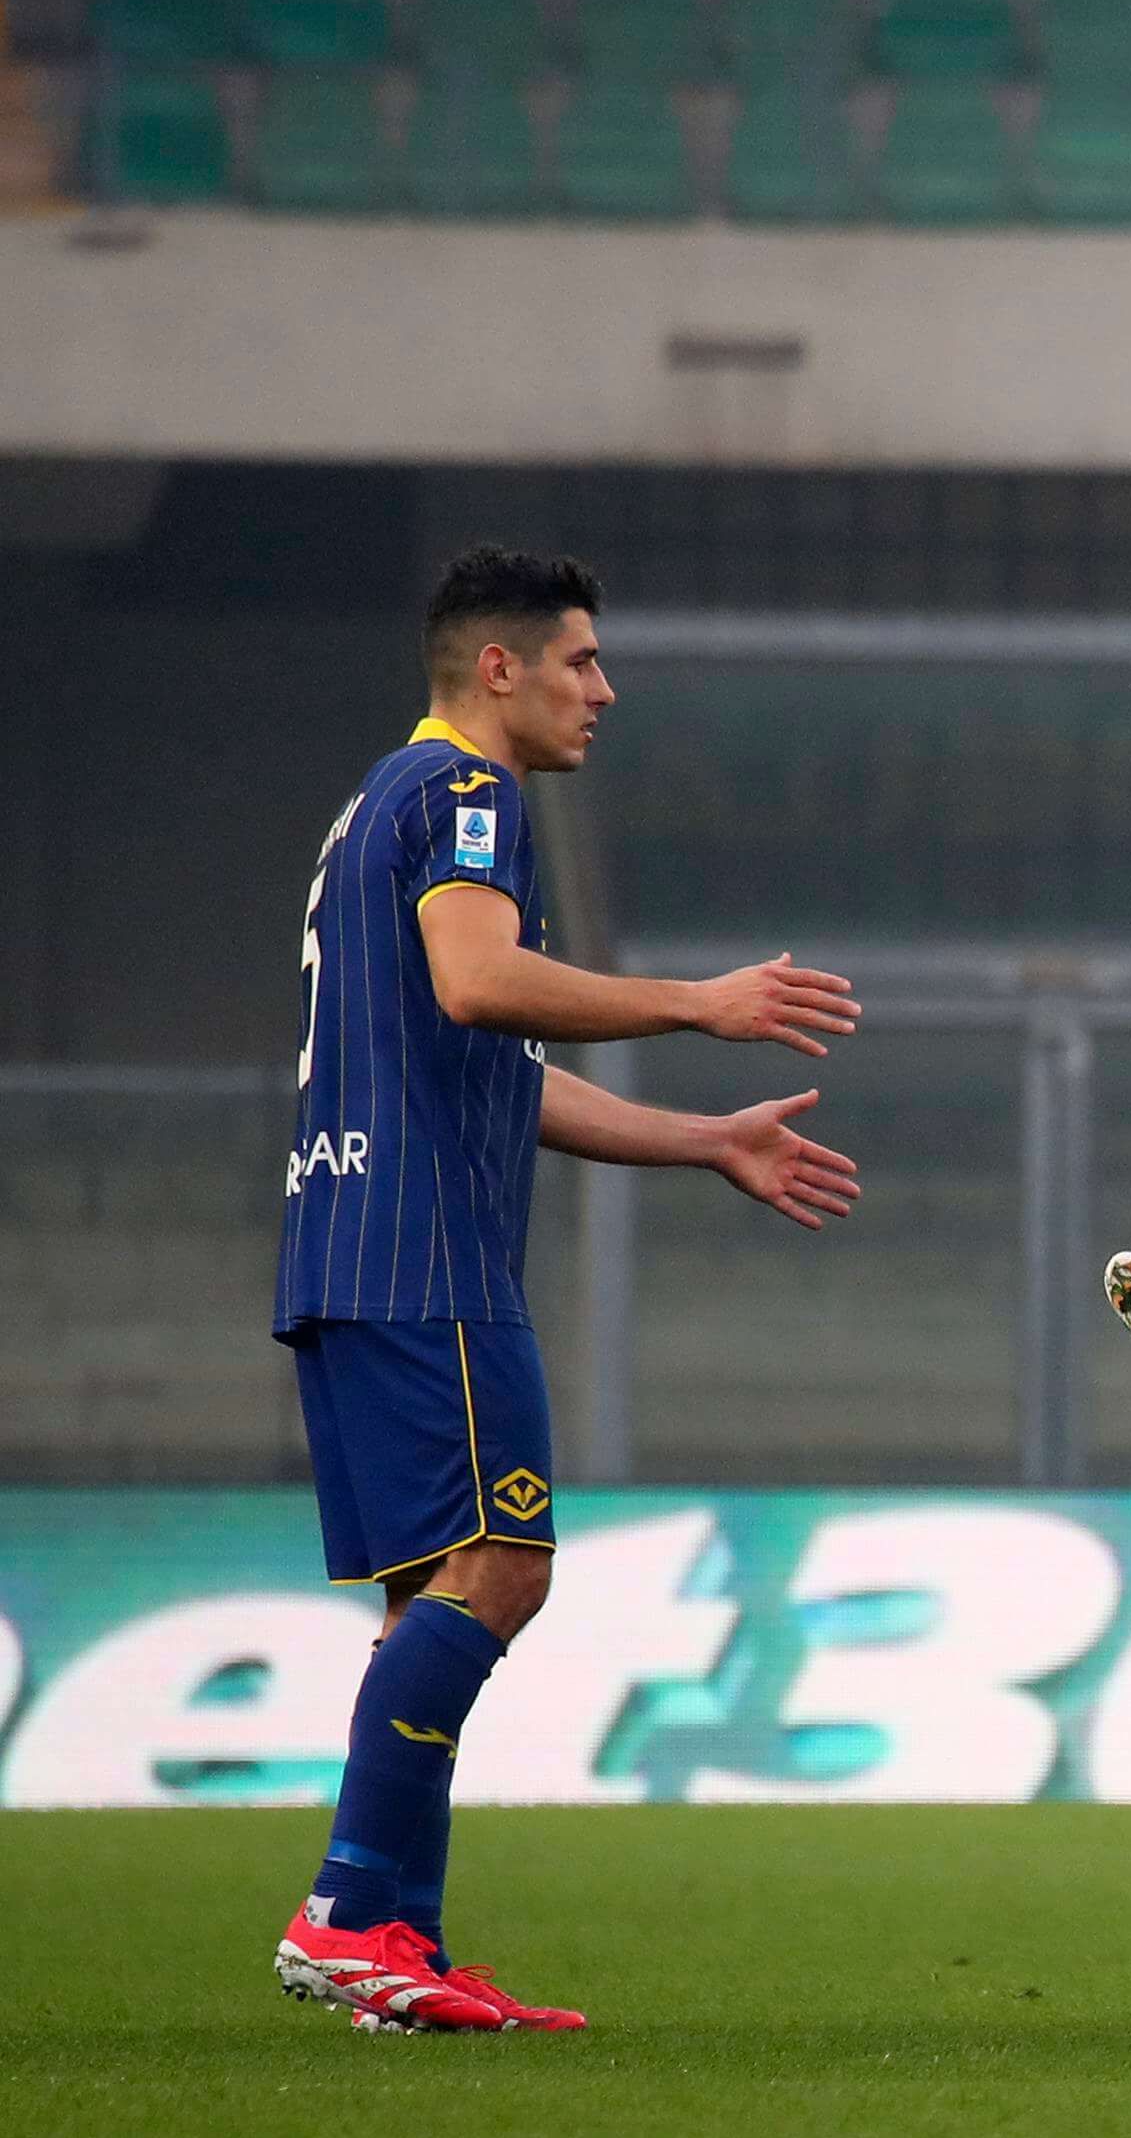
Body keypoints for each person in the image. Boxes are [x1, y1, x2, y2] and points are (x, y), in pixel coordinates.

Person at [271, 547, 863, 2033]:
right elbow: (480, 984)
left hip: (348, 1245)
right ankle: (345, 1914)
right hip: (425, 1253)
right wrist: (699, 1003)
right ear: (500, 668)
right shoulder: (468, 792)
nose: (604, 689)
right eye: (581, 660)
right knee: (503, 1567)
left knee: (431, 1590)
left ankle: (396, 1940)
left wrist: (703, 1137)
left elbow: (492, 1066)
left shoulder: (382, 802)